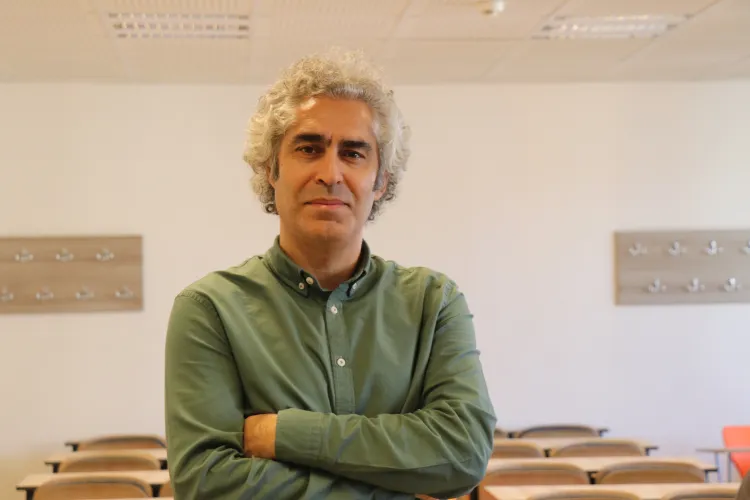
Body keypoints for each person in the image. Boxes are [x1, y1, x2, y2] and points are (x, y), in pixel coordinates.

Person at [164, 48, 497, 499]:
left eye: (354, 153)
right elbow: (207, 484)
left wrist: (284, 434)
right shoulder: (210, 309)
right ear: (270, 169)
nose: (331, 173)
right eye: (309, 149)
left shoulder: (433, 302)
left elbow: (463, 454)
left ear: (381, 180)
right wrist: (397, 484)